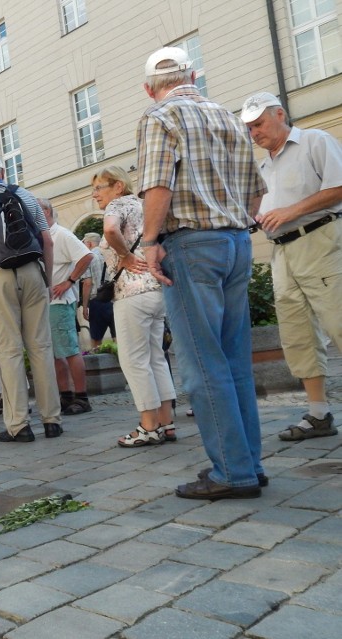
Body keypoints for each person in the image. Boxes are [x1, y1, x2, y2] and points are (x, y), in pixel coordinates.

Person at [135, 47, 267, 499]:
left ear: (149, 88)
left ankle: (232, 472)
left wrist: (150, 242)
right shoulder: (230, 117)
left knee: (202, 363)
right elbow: (254, 191)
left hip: (191, 244)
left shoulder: (160, 117)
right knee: (234, 360)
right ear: (193, 74)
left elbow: (157, 186)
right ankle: (249, 461)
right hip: (236, 241)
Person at [240, 92, 342, 441]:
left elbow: (339, 187)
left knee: (339, 322)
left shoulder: (315, 140)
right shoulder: (263, 167)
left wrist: (290, 210)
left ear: (280, 114)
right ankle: (318, 414)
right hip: (282, 251)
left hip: (321, 240)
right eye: (249, 128)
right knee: (296, 334)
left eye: (259, 124)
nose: (254, 133)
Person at [0, 156, 63, 442]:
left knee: (8, 350)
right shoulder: (26, 195)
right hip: (32, 272)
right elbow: (48, 240)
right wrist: (48, 279)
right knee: (41, 346)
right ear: (3, 173)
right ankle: (52, 420)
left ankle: (18, 425)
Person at [92, 165, 176, 445]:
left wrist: (125, 256)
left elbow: (110, 228)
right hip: (156, 289)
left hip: (131, 291)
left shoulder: (118, 204)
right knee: (156, 357)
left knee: (134, 360)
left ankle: (148, 426)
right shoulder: (144, 205)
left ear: (118, 186)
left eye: (99, 188)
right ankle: (167, 423)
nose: (95, 195)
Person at [40, 199, 94, 416]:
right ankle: (66, 395)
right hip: (49, 303)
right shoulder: (46, 236)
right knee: (55, 353)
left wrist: (69, 281)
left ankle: (81, 396)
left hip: (60, 302)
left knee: (69, 350)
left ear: (46, 212)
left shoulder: (61, 234)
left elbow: (87, 256)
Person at [81, 232, 116, 348]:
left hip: (97, 301)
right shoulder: (111, 254)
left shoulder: (88, 257)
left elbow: (87, 283)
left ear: (89, 243)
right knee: (118, 338)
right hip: (115, 300)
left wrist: (85, 306)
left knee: (96, 341)